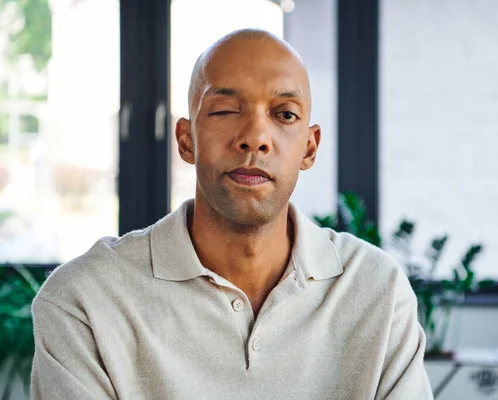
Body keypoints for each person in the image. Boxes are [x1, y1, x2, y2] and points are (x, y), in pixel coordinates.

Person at [30, 29, 433, 399]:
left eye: (284, 114)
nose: (254, 138)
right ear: (187, 141)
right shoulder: (84, 300)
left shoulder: (377, 291)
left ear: (309, 148)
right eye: (225, 111)